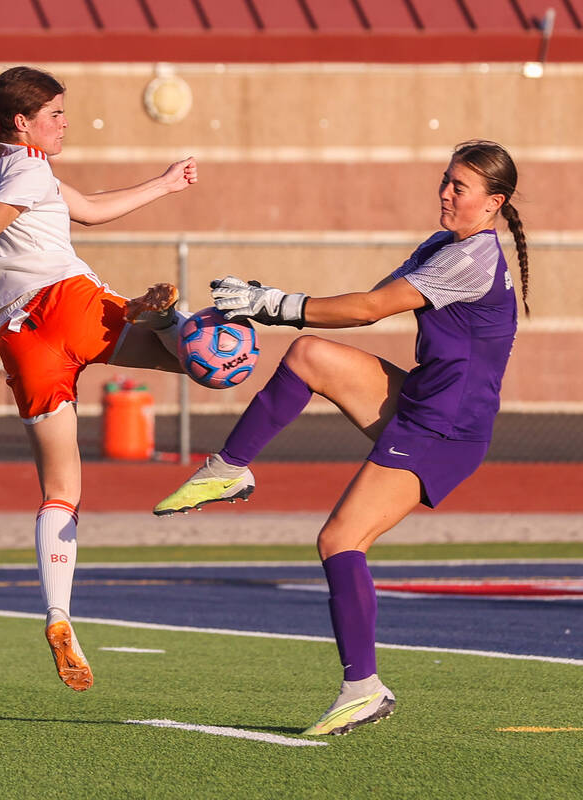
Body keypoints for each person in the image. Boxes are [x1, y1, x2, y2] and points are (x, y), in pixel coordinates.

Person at [154, 140, 527, 735]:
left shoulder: (473, 257)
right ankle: (229, 467)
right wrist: (274, 308)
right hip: (424, 401)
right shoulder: (443, 244)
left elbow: (370, 309)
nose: (446, 193)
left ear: (493, 204)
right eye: (445, 180)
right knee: (308, 356)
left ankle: (363, 688)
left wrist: (271, 303)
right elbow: (353, 306)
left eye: (461, 186)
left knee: (338, 540)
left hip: (446, 427)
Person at [0, 66, 198, 691]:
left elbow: (86, 210)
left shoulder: (2, 167)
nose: (65, 123)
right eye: (55, 114)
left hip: (23, 340)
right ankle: (159, 314)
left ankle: (59, 614)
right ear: (23, 122)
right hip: (66, 303)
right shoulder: (27, 168)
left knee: (61, 490)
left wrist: (164, 186)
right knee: (202, 359)